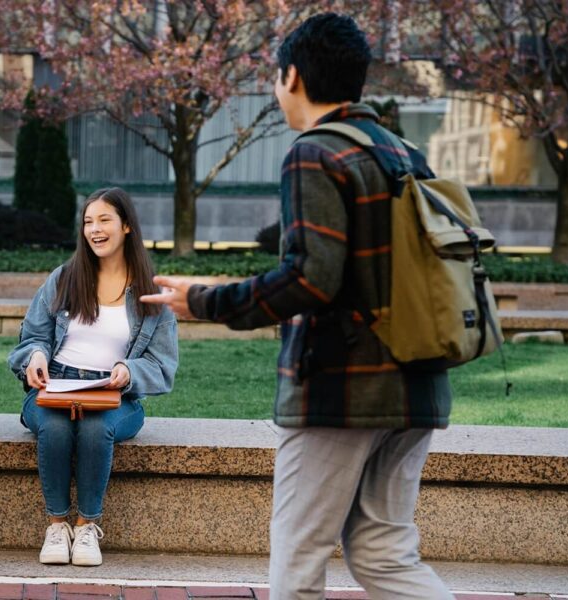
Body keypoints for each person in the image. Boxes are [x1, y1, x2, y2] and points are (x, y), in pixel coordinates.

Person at [141, 13, 454, 600]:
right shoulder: (404, 152)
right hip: (417, 383)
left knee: (298, 558)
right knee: (384, 552)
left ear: (292, 77)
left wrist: (203, 301)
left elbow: (311, 280)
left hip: (341, 389)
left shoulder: (315, 153)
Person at [8, 187, 178, 567]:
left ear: (127, 226)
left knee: (94, 428)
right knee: (53, 427)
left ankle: (86, 526)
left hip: (115, 395)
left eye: (104, 220)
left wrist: (128, 371)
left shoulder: (152, 293)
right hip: (56, 386)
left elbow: (163, 366)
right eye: (88, 222)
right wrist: (36, 356)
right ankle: (57, 525)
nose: (94, 229)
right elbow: (32, 336)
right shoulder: (64, 278)